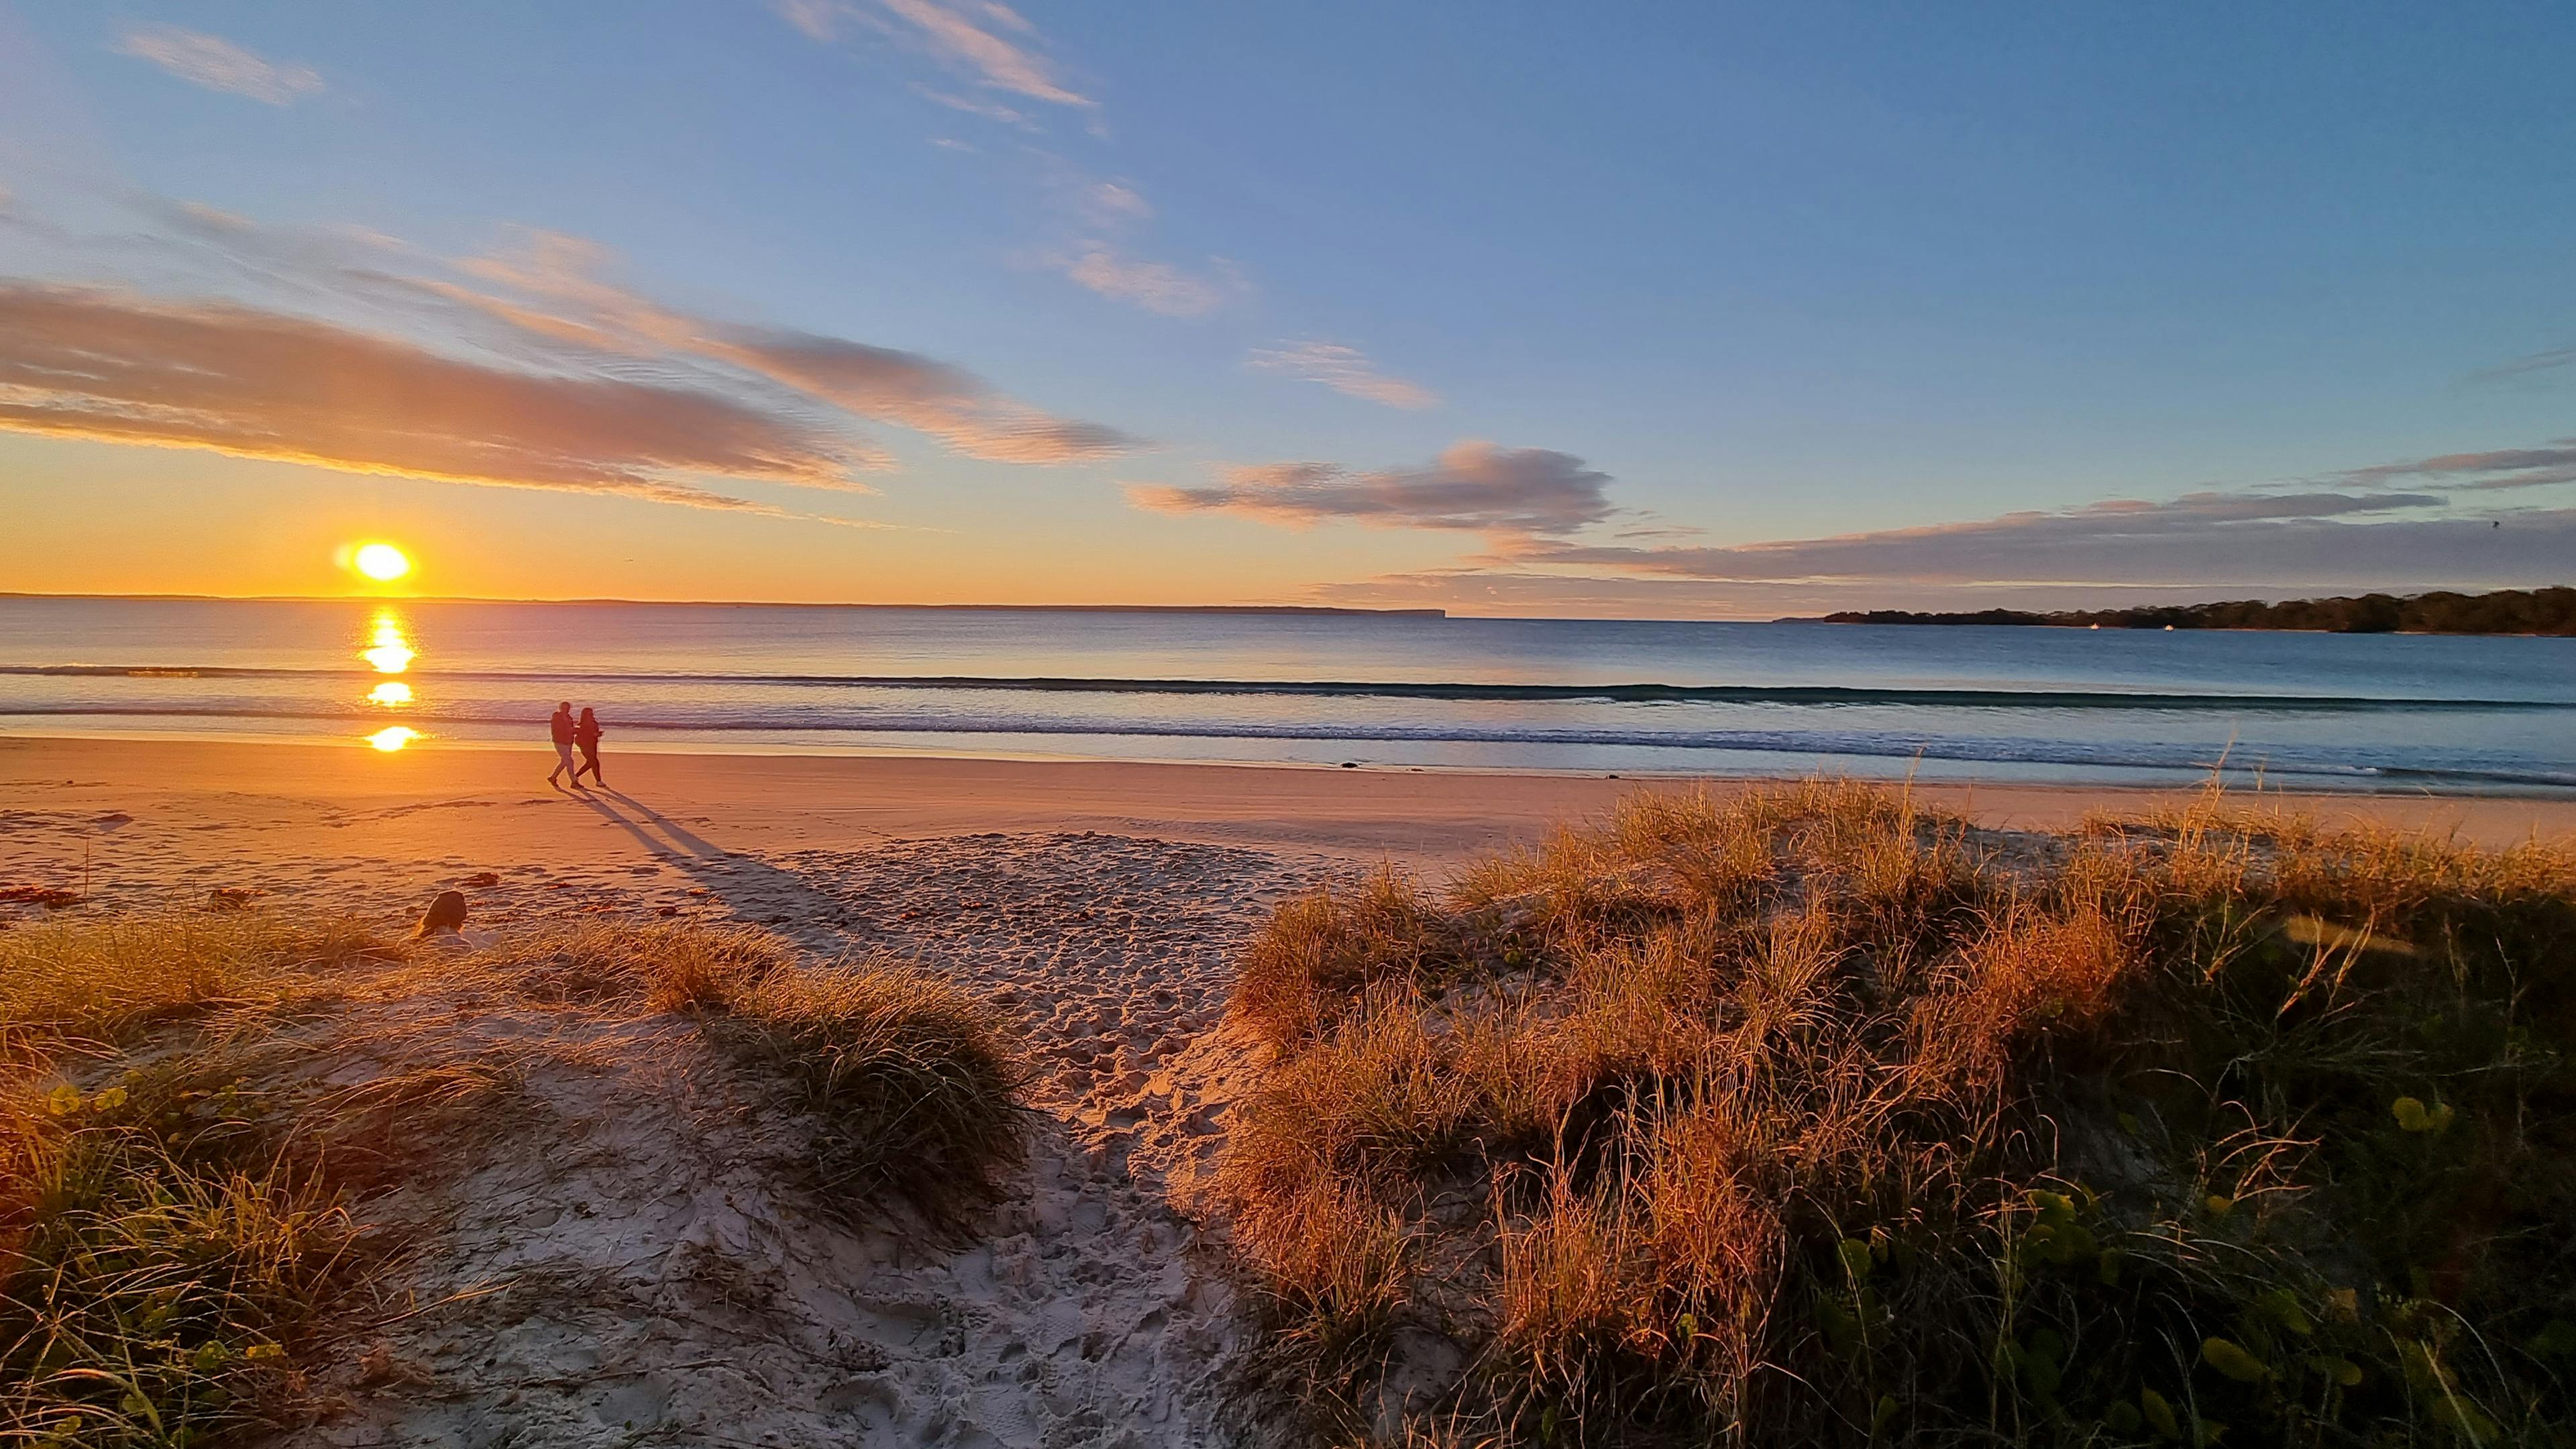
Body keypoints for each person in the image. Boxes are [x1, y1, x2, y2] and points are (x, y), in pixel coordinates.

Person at [547, 701, 580, 788]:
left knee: (565, 761)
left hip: (568, 741)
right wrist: (570, 730)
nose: (566, 709)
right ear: (561, 707)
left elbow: (570, 729)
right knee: (569, 761)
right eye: (564, 707)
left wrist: (575, 731)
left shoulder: (569, 717)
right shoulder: (556, 716)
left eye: (568, 708)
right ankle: (574, 781)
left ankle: (553, 777)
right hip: (559, 741)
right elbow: (557, 729)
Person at [573, 706, 606, 786]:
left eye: (591, 714)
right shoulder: (583, 724)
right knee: (594, 762)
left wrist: (598, 734)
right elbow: (584, 735)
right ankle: (598, 781)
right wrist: (594, 734)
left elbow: (594, 732)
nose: (591, 715)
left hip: (593, 744)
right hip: (584, 744)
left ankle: (575, 777)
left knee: (591, 762)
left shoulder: (594, 723)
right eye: (589, 714)